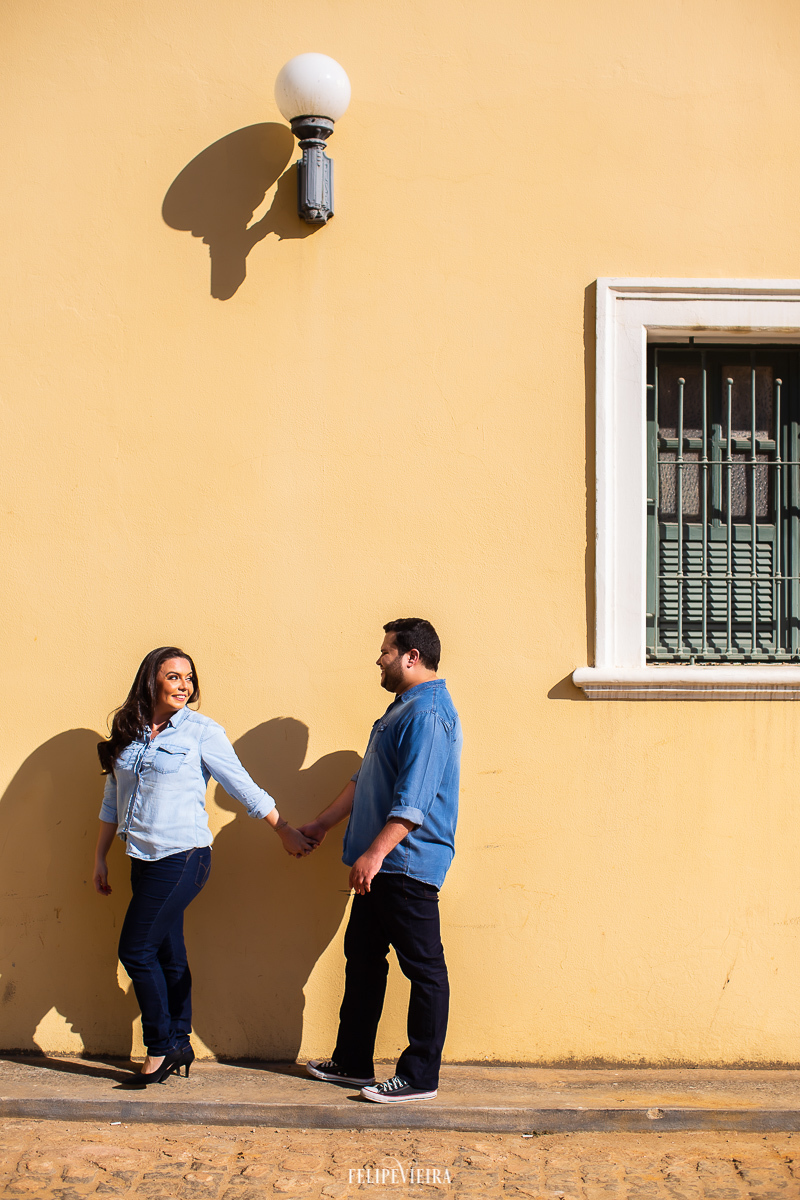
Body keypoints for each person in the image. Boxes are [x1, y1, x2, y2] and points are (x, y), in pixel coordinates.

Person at [94, 646, 311, 1085]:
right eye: (173, 676)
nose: (183, 685)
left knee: (135, 951)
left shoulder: (200, 731)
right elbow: (111, 800)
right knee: (168, 952)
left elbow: (240, 783)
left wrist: (282, 827)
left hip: (184, 856)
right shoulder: (130, 730)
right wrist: (99, 856)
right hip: (140, 857)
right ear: (151, 680)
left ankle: (159, 1049)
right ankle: (180, 1039)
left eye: (188, 678)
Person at [301, 618, 461, 1103]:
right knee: (364, 959)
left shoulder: (429, 713)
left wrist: (374, 853)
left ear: (412, 656)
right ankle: (352, 1061)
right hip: (382, 864)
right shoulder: (401, 708)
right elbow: (363, 776)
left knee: (424, 969)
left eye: (386, 651)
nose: (379, 659)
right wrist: (322, 824)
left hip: (404, 863)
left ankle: (419, 1076)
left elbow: (414, 801)